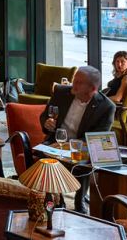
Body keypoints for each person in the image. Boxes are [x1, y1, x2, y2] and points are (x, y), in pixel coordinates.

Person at [40, 65, 115, 212]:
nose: (73, 84)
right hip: (55, 143)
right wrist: (46, 122)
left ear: (92, 89)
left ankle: (79, 201)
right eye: (75, 79)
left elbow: (97, 139)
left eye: (79, 82)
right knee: (45, 157)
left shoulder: (106, 107)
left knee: (83, 161)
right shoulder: (61, 92)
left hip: (81, 148)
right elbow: (45, 115)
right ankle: (57, 200)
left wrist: (72, 146)